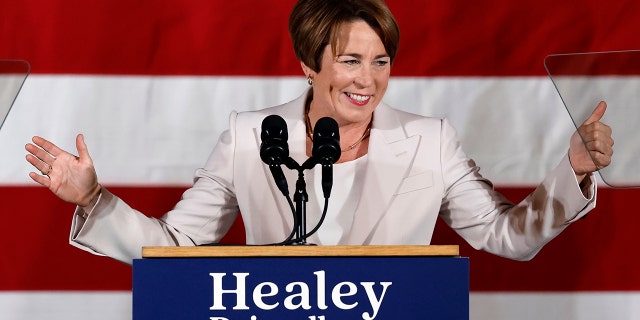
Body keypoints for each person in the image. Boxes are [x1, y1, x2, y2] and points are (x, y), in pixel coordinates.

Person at [25, 0, 613, 265]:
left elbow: (508, 236)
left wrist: (575, 173)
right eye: (350, 61)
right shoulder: (251, 137)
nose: (368, 80)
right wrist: (94, 200)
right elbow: (176, 248)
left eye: (380, 61)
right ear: (309, 65)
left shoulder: (431, 140)